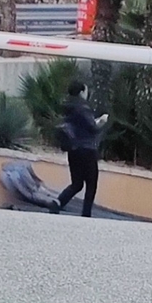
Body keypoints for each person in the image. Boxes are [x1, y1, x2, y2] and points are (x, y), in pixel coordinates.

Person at [54, 81, 104, 216]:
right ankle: (86, 215)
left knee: (76, 183)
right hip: (87, 150)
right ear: (82, 92)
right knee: (91, 183)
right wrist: (101, 122)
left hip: (73, 149)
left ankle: (58, 202)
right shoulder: (83, 107)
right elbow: (92, 128)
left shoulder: (66, 107)